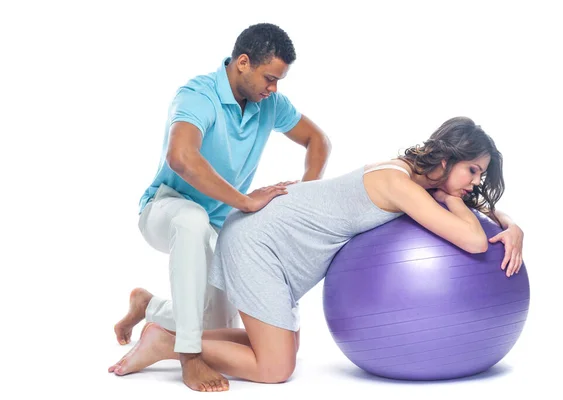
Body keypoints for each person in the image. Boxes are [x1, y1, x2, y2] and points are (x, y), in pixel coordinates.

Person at [108, 116, 525, 391]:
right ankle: (168, 343)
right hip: (261, 244)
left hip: (271, 245)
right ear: (448, 156)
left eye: (480, 175)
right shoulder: (400, 186)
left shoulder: (414, 181)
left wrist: (513, 225)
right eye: (472, 170)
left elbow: (478, 217)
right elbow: (472, 240)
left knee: (276, 347)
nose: (474, 182)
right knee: (275, 368)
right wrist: (456, 204)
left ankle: (159, 318)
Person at [109, 23, 332, 391]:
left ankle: (148, 307)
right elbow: (181, 157)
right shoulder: (198, 95)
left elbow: (318, 140)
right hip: (166, 209)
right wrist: (245, 201)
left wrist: (306, 192)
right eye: (270, 78)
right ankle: (188, 356)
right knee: (192, 219)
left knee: (215, 325)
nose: (274, 88)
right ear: (243, 62)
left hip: (217, 225)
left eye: (278, 81)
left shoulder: (270, 104)